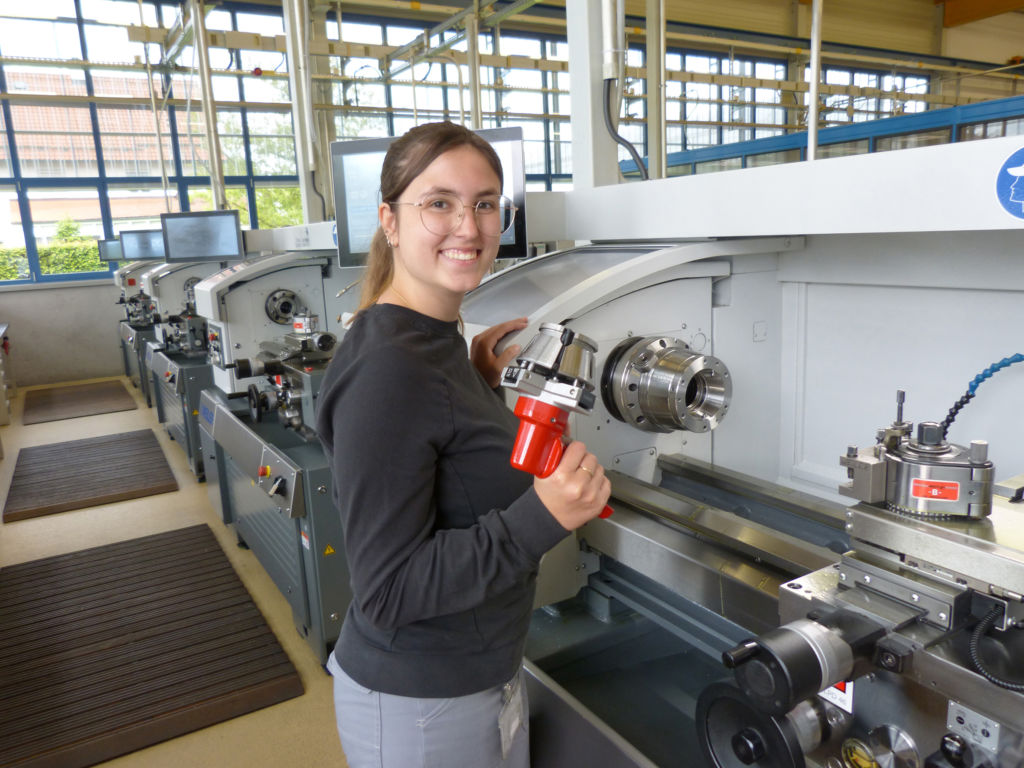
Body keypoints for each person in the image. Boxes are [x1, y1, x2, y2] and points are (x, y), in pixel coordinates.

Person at [315, 121, 611, 768]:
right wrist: (544, 516)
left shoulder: (435, 338)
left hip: (477, 672)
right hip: (419, 702)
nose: (470, 228)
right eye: (439, 203)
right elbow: (387, 591)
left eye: (485, 204)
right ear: (390, 220)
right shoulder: (391, 368)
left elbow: (437, 448)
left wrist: (475, 386)